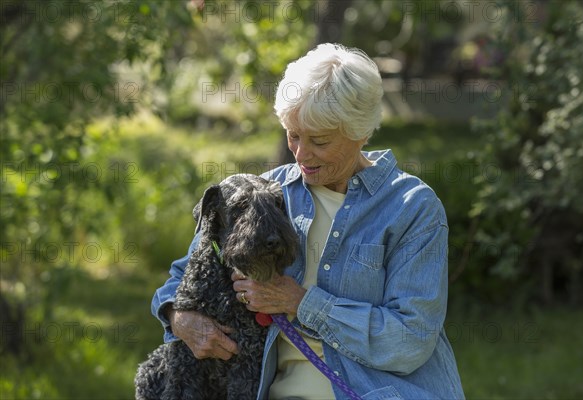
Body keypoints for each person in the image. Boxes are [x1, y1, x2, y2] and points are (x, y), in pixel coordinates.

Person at [151, 43, 465, 399]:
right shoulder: (266, 194)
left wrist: (301, 303)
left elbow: (409, 339)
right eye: (294, 135)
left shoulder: (412, 208)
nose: (301, 154)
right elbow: (182, 277)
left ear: (360, 132)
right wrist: (180, 319)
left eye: (319, 140)